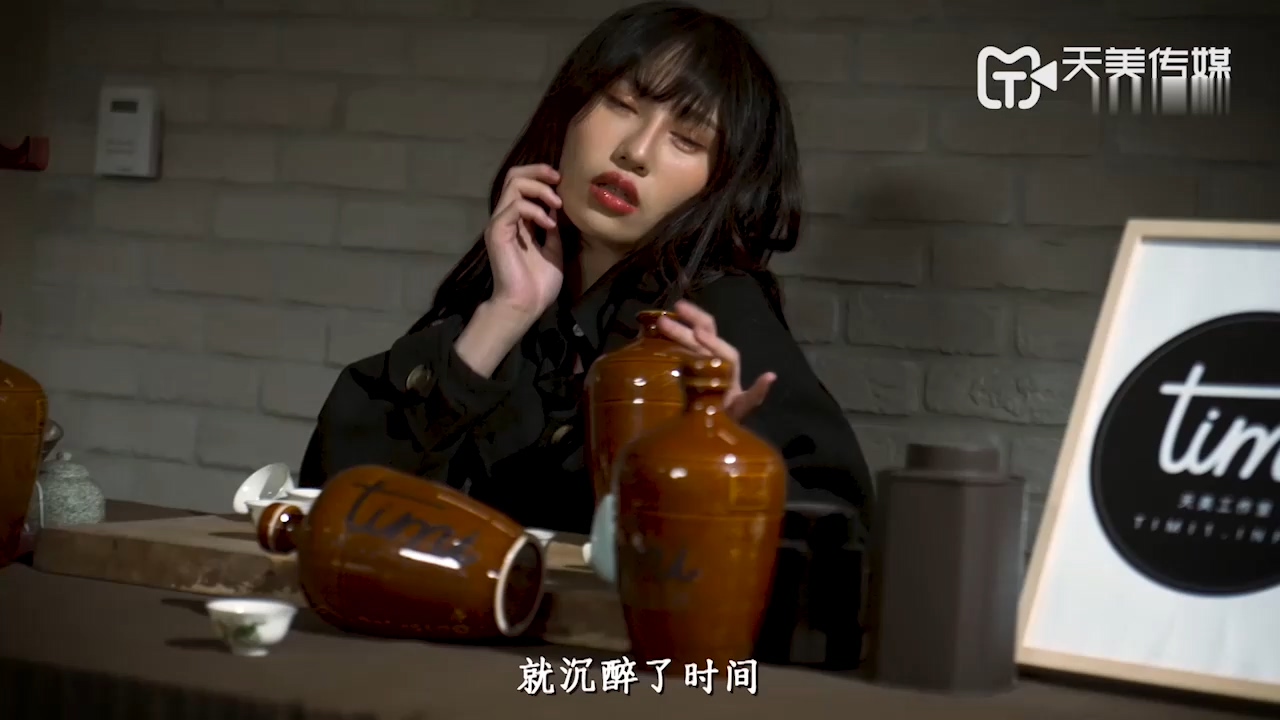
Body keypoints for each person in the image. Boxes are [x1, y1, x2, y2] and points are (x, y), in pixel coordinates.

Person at [298, 1, 876, 542]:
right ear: (569, 114)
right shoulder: (523, 304)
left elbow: (837, 535)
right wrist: (503, 317)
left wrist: (721, 462)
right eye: (621, 104)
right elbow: (335, 504)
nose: (636, 152)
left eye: (686, 139)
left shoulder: (711, 322)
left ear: (720, 183)